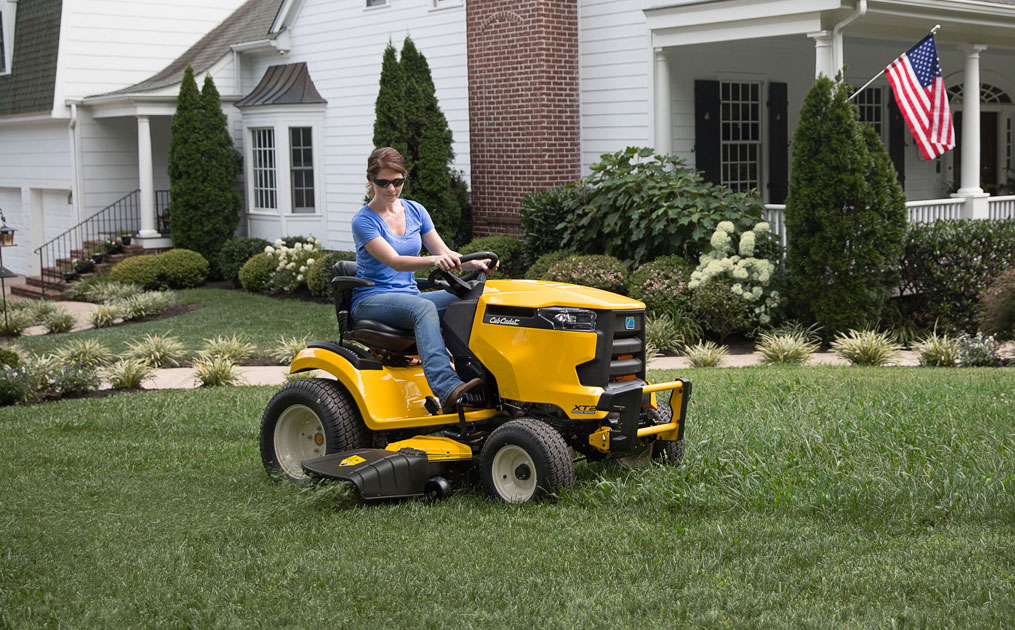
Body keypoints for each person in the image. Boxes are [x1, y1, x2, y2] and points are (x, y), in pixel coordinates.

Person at [350, 147, 492, 413]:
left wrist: (471, 263)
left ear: (404, 178)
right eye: (383, 182)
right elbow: (394, 260)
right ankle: (447, 388)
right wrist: (432, 261)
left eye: (397, 181)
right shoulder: (364, 221)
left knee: (475, 296)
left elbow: (444, 252)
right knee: (423, 307)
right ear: (370, 181)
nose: (391, 188)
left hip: (409, 296)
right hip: (372, 299)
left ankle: (481, 378)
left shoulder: (416, 211)